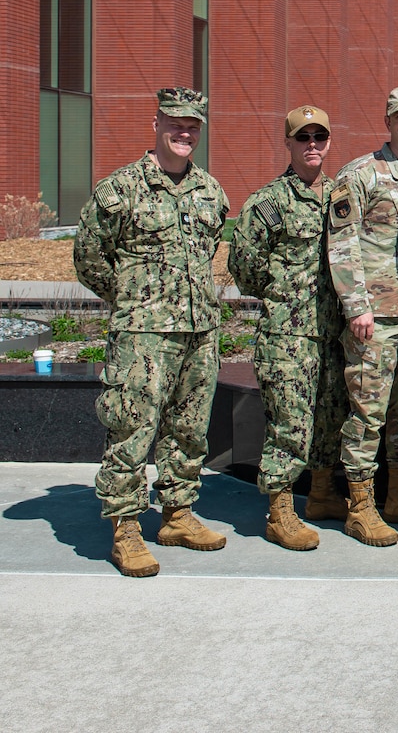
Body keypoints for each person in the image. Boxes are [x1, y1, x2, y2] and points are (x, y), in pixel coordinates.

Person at [74, 87, 230, 577]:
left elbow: (207, 253)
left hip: (199, 330)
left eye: (193, 125)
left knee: (188, 428)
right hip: (143, 334)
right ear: (157, 123)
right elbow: (89, 258)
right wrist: (132, 297)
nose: (185, 132)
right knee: (132, 426)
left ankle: (178, 514)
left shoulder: (211, 191)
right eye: (176, 123)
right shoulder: (120, 190)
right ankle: (125, 527)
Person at [227, 105, 348, 551]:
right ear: (290, 144)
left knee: (330, 417)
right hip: (289, 335)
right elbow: (245, 268)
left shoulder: (342, 196)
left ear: (329, 142)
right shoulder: (267, 203)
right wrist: (286, 300)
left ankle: (320, 494)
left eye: (320, 136)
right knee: (289, 424)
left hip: (335, 333)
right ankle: (280, 511)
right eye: (304, 138)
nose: (312, 145)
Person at [327, 85, 398, 546]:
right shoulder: (360, 175)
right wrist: (356, 307)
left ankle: (397, 496)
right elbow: (341, 242)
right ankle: (360, 505)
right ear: (388, 121)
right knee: (368, 412)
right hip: (375, 317)